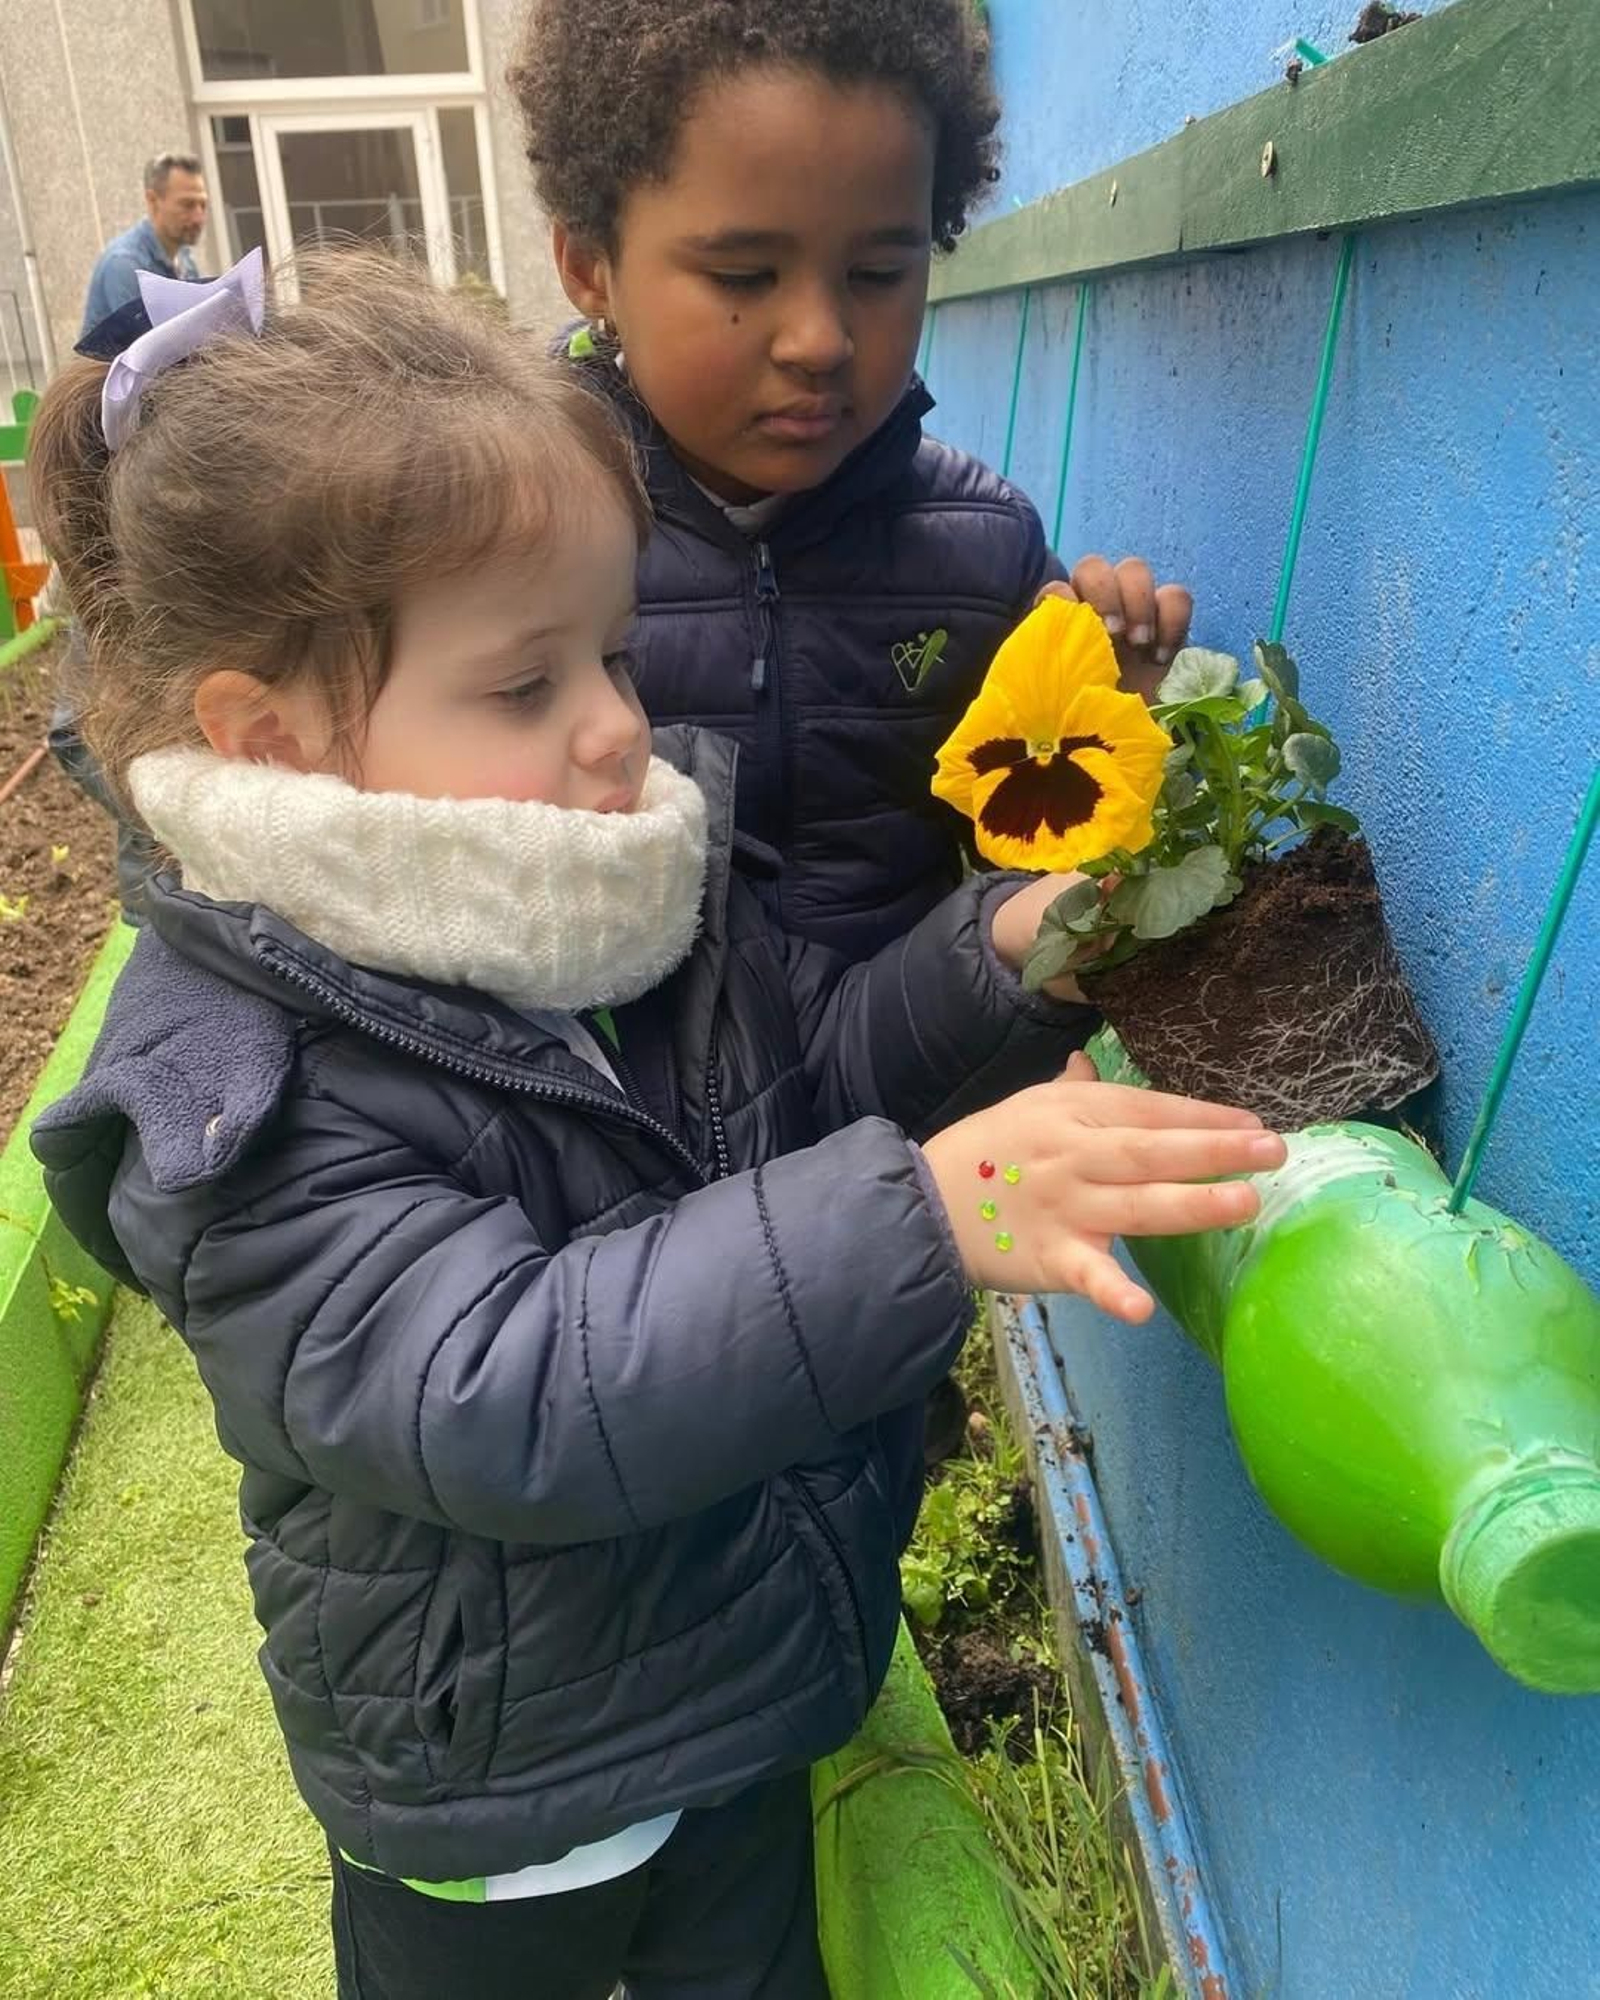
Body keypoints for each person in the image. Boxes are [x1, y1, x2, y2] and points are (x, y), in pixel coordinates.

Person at [29, 245, 1285, 2000]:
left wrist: (1003, 954)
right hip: (502, 1799)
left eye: (613, 653)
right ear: (277, 734)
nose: (620, 727)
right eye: (526, 684)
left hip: (735, 1696)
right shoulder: (241, 1068)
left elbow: (811, 1073)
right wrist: (920, 1218)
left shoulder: (609, 896)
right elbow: (503, 1387)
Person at [514, 0, 1196, 963]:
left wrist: (1114, 719)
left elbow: (1021, 888)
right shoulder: (509, 555)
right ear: (589, 265)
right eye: (744, 276)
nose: (821, 341)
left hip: (923, 1051)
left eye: (877, 273)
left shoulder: (986, 551)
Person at [81, 151, 208, 335]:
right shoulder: (124, 264)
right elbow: (146, 344)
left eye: (203, 205)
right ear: (152, 200)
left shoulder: (185, 258)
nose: (198, 217)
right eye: (187, 205)